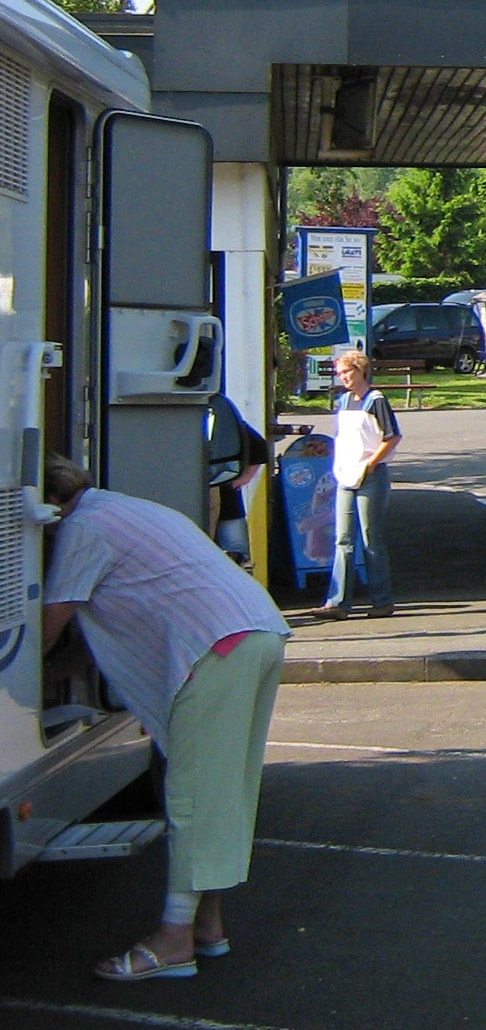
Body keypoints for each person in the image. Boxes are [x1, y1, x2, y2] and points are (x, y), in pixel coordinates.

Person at [39, 454, 291, 982]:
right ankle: (208, 925)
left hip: (215, 648)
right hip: (256, 630)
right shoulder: (124, 509)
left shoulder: (80, 529)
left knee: (194, 797)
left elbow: (47, 628)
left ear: (47, 506)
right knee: (223, 791)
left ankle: (173, 940)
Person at [311, 348, 399, 620]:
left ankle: (382, 601)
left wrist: (370, 464)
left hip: (370, 476)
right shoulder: (343, 401)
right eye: (340, 373)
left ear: (361, 370)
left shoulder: (376, 400)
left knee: (371, 538)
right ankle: (337, 602)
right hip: (346, 475)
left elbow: (392, 437)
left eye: (347, 372)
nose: (344, 378)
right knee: (343, 539)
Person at [205, 390, 270, 564]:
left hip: (226, 500)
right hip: (215, 498)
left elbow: (259, 447)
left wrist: (244, 476)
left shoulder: (219, 417)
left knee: (237, 556)